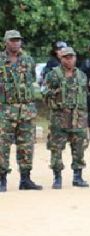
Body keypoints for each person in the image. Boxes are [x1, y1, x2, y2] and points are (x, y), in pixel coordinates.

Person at [0, 29, 42, 192]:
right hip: (5, 110)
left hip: (26, 110)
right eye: (12, 40)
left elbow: (31, 79)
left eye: (18, 40)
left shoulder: (28, 60)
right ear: (6, 42)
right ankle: (2, 179)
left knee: (27, 145)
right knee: (2, 145)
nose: (16, 43)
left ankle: (25, 179)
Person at [42, 46, 90, 188]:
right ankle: (57, 178)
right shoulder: (53, 75)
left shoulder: (81, 75)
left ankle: (78, 177)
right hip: (59, 118)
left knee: (79, 148)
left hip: (78, 118)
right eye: (65, 57)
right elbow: (45, 94)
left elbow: (85, 95)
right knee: (56, 148)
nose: (69, 60)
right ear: (60, 58)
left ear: (75, 58)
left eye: (71, 57)